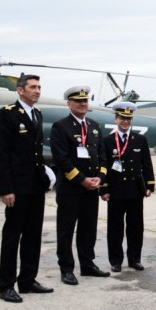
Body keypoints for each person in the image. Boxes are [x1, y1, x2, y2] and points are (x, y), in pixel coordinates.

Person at [0, 74, 55, 303]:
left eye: (39, 87)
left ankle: (28, 280)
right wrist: (6, 189)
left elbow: (36, 154)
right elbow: (3, 154)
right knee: (12, 236)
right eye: (33, 87)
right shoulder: (7, 113)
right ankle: (6, 285)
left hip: (35, 186)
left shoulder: (37, 114)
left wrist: (46, 178)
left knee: (33, 235)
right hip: (17, 188)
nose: (37, 91)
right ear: (20, 90)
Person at [50, 85, 110, 284]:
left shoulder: (93, 125)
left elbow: (102, 156)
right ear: (69, 103)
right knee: (66, 230)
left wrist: (99, 178)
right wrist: (82, 180)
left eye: (85, 101)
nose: (82, 104)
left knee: (88, 229)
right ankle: (66, 269)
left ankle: (87, 264)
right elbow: (61, 159)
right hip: (71, 189)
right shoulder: (61, 126)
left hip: (91, 188)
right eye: (78, 101)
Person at [100, 102, 155, 272]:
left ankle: (134, 259)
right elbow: (104, 165)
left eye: (128, 118)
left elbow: (147, 164)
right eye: (122, 118)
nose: (125, 122)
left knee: (135, 227)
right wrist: (104, 188)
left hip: (134, 191)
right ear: (116, 119)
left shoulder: (140, 139)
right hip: (116, 191)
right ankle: (116, 260)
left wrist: (149, 185)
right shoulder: (108, 141)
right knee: (115, 227)